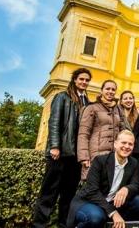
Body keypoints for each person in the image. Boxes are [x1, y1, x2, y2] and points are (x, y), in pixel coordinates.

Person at [33, 68, 91, 228]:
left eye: (87, 80)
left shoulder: (86, 101)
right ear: (74, 80)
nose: (84, 82)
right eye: (81, 79)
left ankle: (63, 225)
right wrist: (54, 146)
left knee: (68, 194)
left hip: (75, 156)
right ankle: (40, 225)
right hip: (60, 154)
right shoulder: (62, 97)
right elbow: (54, 122)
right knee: (49, 194)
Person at [66, 130, 139, 228]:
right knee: (96, 218)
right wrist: (113, 212)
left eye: (130, 144)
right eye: (123, 143)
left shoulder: (133, 163)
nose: (127, 146)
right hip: (90, 201)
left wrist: (126, 189)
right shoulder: (100, 160)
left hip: (111, 202)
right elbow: (92, 190)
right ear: (115, 144)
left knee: (137, 202)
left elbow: (136, 184)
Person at [78, 80, 126, 180]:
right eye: (107, 88)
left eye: (113, 89)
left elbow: (123, 131)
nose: (110, 91)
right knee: (92, 188)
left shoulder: (118, 109)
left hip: (113, 156)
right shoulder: (92, 108)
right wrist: (84, 157)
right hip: (95, 154)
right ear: (101, 90)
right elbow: (83, 133)